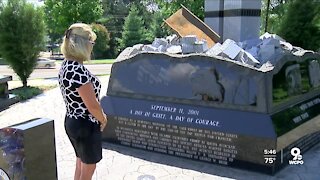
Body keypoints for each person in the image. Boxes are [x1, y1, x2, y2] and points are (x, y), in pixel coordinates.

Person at [58, 23, 108, 180]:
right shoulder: (78, 70)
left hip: (72, 121)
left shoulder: (66, 65)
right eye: (91, 42)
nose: (92, 46)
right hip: (85, 125)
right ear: (82, 43)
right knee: (89, 166)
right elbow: (92, 105)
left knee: (80, 161)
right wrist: (103, 119)